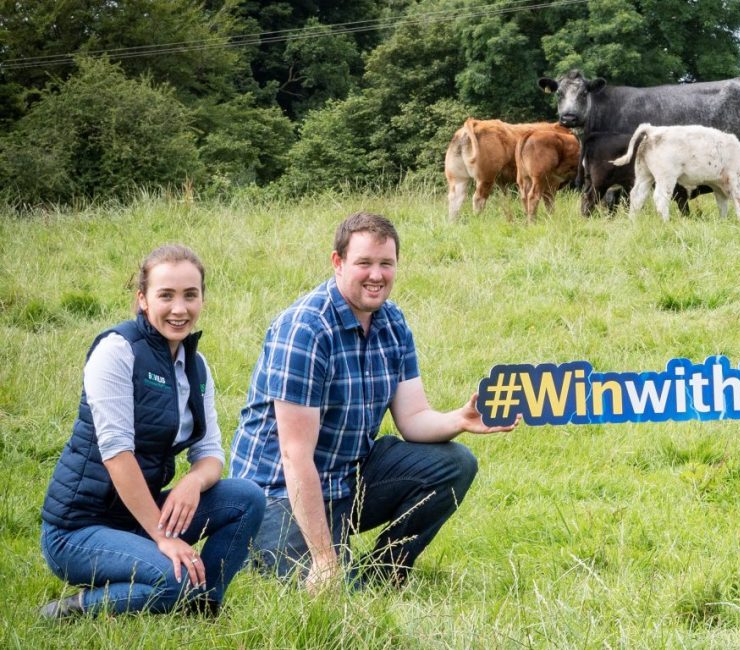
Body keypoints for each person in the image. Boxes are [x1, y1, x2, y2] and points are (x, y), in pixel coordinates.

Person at [231, 211, 517, 591]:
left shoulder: (392, 321)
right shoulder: (305, 329)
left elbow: (413, 417)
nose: (377, 275)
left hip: (347, 477)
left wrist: (460, 420)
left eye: (387, 264)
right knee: (335, 598)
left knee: (455, 463)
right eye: (364, 263)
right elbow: (294, 456)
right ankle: (306, 556)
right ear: (338, 262)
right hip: (279, 493)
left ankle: (384, 574)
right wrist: (323, 558)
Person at [39, 245, 266, 618]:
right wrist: (164, 538)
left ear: (202, 299)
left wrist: (192, 482)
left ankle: (202, 606)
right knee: (175, 580)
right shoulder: (116, 350)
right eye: (166, 295)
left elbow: (211, 454)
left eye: (190, 295)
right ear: (142, 299)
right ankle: (71, 610)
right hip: (77, 530)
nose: (180, 309)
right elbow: (116, 454)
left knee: (247, 497)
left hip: (136, 519)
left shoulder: (197, 366)